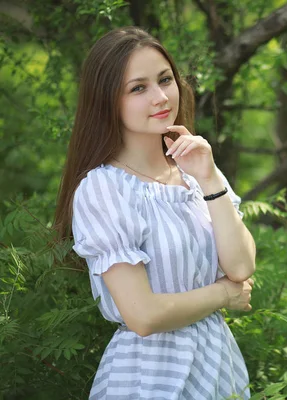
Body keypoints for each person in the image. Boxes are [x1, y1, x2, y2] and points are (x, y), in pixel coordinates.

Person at [53, 26, 255, 399]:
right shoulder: (104, 189)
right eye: (138, 88)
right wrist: (223, 296)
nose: (161, 97)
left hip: (218, 365)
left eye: (165, 80)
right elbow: (143, 316)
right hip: (151, 375)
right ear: (108, 101)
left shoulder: (197, 170)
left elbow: (241, 268)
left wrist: (210, 179)